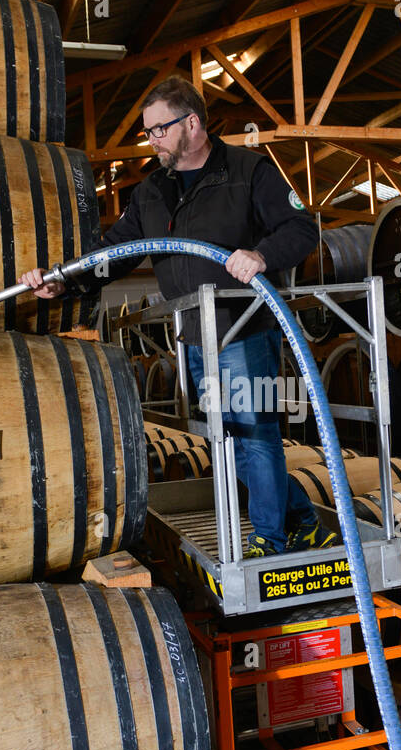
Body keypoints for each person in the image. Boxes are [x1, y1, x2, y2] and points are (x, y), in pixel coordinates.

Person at [20, 75, 336, 559]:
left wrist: (261, 254)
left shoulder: (249, 171)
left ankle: (270, 543)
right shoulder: (151, 191)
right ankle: (303, 521)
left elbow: (300, 228)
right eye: (148, 133)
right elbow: (116, 252)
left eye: (159, 130)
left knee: (255, 435)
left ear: (192, 124)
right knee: (227, 443)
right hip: (194, 336)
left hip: (243, 329)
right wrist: (66, 279)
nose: (152, 140)